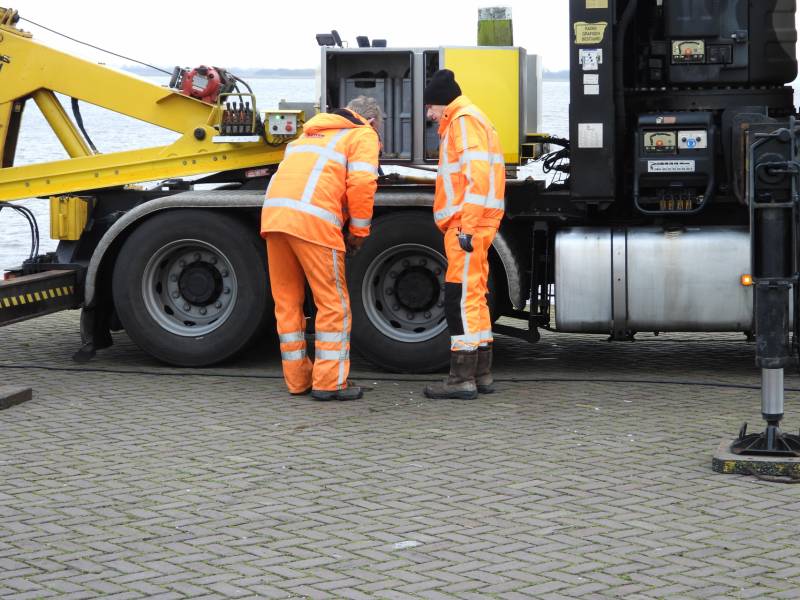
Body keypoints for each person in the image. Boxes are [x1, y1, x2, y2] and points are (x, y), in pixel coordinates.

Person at [261, 96, 382, 401]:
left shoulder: (306, 136)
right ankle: (329, 382)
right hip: (313, 223)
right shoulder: (362, 134)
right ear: (372, 121)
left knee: (287, 302)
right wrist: (359, 231)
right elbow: (363, 183)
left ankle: (298, 379)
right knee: (332, 304)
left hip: (274, 219)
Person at [421, 69, 505, 400]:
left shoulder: (463, 121)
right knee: (475, 296)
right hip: (476, 224)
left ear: (443, 102)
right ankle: (481, 373)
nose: (429, 114)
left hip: (465, 226)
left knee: (460, 298)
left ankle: (461, 379)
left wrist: (466, 227)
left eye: (430, 107)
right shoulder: (472, 118)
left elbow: (476, 176)